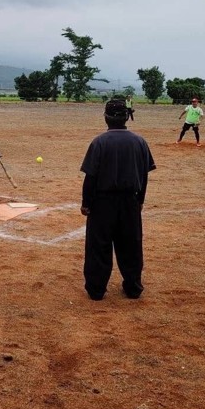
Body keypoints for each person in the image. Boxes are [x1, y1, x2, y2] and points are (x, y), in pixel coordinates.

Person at [80, 98, 156, 300]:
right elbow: (144, 175)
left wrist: (86, 203)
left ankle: (96, 290)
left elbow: (91, 177)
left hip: (102, 202)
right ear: (126, 117)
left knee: (99, 246)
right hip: (130, 201)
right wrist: (140, 200)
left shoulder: (99, 142)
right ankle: (133, 288)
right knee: (131, 245)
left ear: (106, 117)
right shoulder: (139, 141)